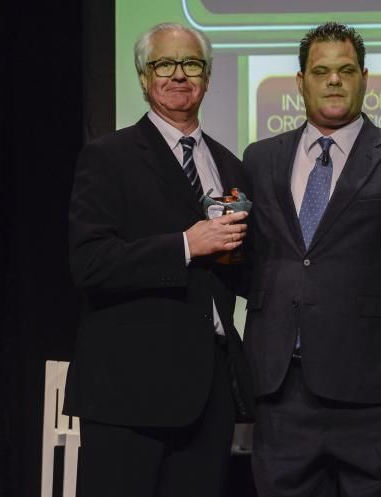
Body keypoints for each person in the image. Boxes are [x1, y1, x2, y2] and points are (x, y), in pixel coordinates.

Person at [242, 22, 381, 497]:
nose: (334, 81)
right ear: (301, 82)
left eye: (345, 70)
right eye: (321, 71)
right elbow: (256, 263)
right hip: (282, 393)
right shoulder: (260, 160)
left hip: (375, 396)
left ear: (365, 77)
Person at [64, 22, 254, 497]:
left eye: (191, 64)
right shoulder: (108, 156)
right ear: (144, 77)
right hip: (129, 386)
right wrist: (186, 245)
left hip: (209, 391)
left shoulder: (230, 165)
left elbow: (238, 270)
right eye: (163, 64)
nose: (178, 75)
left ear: (208, 77)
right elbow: (90, 263)